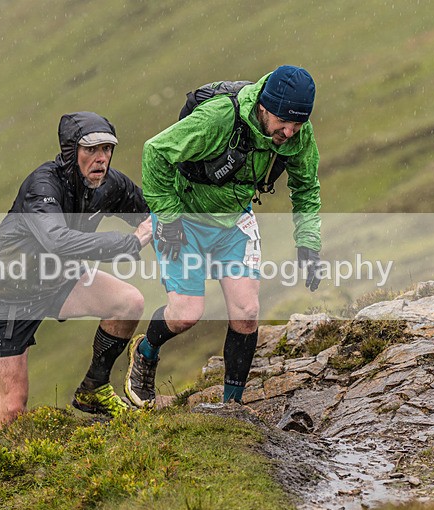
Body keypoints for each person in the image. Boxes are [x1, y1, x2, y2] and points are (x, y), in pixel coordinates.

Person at [125, 65, 323, 408]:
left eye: (298, 125)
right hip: (183, 217)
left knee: (246, 313)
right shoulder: (218, 119)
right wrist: (169, 219)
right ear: (263, 106)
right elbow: (155, 151)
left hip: (234, 221)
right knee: (186, 313)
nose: (289, 133)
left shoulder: (298, 134)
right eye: (283, 122)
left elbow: (306, 187)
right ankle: (146, 352)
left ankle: (232, 408)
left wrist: (308, 243)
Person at [0, 111, 152, 445]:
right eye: (92, 150)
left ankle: (94, 389)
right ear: (72, 152)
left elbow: (152, 211)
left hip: (57, 276)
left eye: (107, 149)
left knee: (129, 303)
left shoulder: (110, 183)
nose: (102, 158)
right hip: (10, 288)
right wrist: (128, 243)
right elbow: (56, 240)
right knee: (12, 411)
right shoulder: (44, 185)